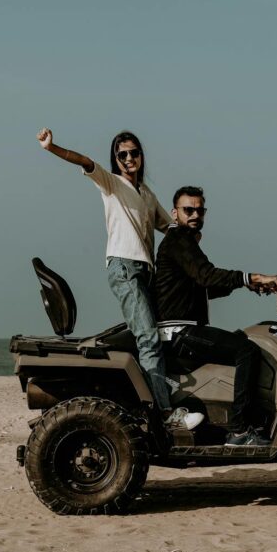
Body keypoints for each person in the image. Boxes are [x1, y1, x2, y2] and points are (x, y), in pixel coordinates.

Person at [36, 127, 202, 431]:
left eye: (133, 153)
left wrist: (193, 226)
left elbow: (171, 228)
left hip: (146, 271)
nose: (128, 158)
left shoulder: (147, 195)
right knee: (148, 338)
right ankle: (165, 414)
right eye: (121, 154)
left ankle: (150, 399)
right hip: (125, 268)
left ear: (141, 156)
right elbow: (83, 160)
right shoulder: (111, 183)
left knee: (159, 335)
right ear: (115, 159)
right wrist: (52, 147)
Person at [154, 186, 277, 446]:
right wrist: (252, 277)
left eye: (199, 210)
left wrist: (251, 286)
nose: (194, 215)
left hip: (182, 329)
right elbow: (207, 275)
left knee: (238, 339)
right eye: (188, 210)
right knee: (246, 350)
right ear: (175, 213)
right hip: (180, 332)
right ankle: (239, 431)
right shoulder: (179, 239)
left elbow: (205, 286)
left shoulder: (184, 244)